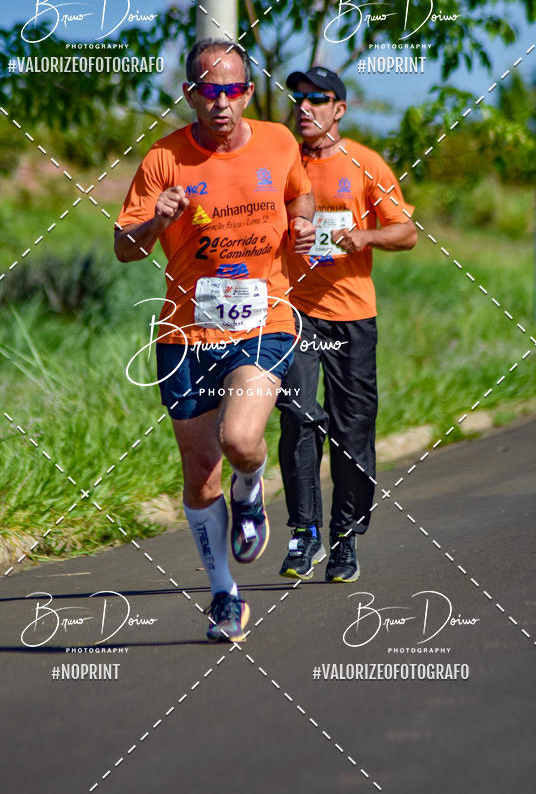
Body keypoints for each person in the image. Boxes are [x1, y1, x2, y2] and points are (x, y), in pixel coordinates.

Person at [115, 38, 315, 642]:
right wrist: (157, 220)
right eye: (209, 90)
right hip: (186, 333)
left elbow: (299, 192)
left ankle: (250, 488)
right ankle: (224, 595)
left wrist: (303, 223)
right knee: (201, 470)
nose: (221, 101)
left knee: (239, 440)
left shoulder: (278, 143)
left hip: (263, 320)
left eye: (232, 89)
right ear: (190, 94)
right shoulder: (163, 159)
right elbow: (124, 248)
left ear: (248, 93)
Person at [276, 66, 417, 583]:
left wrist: (367, 237)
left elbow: (406, 231)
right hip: (294, 311)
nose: (305, 107)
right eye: (298, 98)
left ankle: (344, 539)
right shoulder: (282, 162)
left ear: (339, 109)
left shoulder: (365, 163)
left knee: (352, 429)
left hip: (353, 314)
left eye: (318, 98)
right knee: (297, 416)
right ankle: (304, 532)